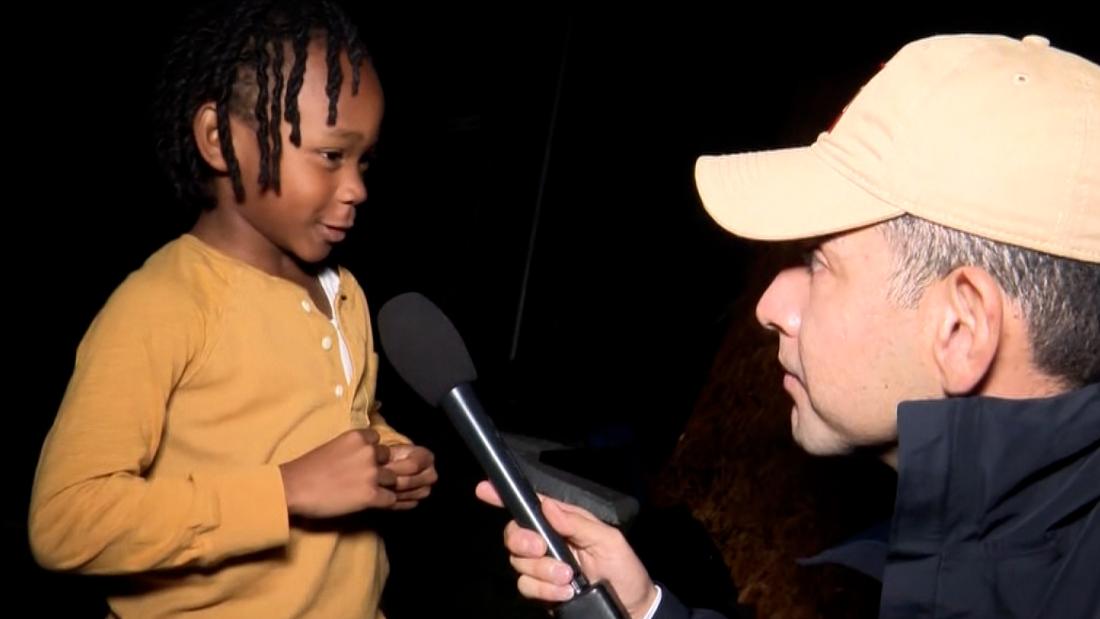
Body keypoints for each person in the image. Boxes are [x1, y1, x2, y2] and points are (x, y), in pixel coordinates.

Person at [477, 32, 1099, 618]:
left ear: (961, 331)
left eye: (819, 261)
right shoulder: (1003, 558)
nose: (771, 304)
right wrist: (642, 609)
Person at [28, 2, 437, 617]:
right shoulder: (162, 305)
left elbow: (339, 417)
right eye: (330, 155)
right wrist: (286, 492)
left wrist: (386, 454)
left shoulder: (341, 290)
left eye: (365, 160)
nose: (357, 188)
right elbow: (66, 522)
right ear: (220, 140)